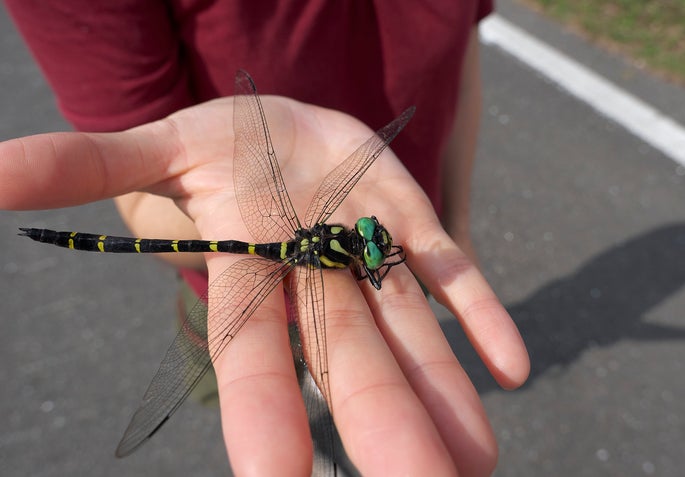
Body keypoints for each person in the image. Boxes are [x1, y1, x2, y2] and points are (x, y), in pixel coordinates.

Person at [2, 1, 530, 475]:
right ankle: (322, 447)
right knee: (295, 425)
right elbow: (143, 204)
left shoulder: (348, 236)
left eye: (369, 239)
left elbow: (459, 65)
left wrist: (455, 227)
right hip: (231, 277)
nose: (374, 243)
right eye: (370, 243)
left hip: (291, 250)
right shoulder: (349, 256)